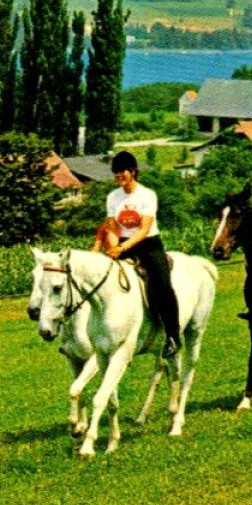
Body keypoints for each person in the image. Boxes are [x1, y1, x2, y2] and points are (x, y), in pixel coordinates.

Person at [100, 151, 180, 358]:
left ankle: (172, 336)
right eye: (116, 174)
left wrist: (122, 249)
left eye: (122, 173)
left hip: (148, 245)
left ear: (133, 172)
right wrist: (113, 247)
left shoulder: (146, 195)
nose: (119, 177)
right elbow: (111, 226)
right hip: (122, 243)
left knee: (162, 286)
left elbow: (144, 230)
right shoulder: (112, 197)